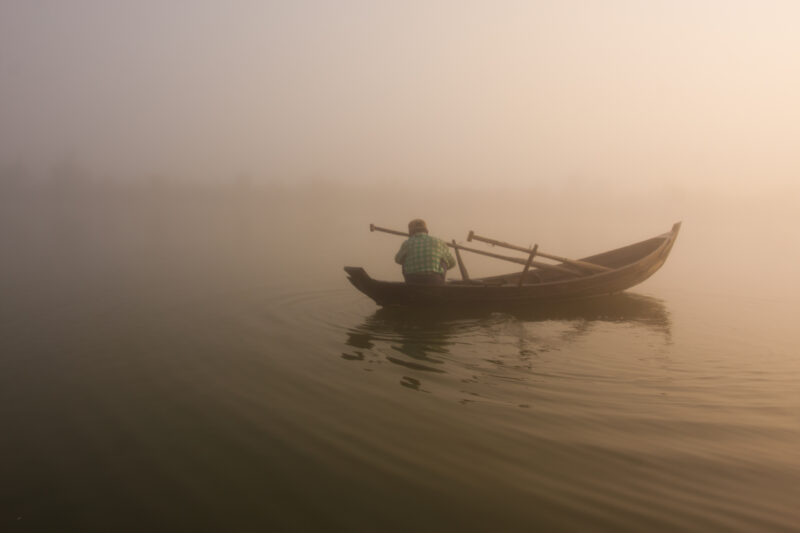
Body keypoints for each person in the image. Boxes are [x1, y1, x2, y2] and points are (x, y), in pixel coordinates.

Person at [394, 219, 456, 284]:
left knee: (403, 258)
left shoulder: (406, 243)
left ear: (410, 231)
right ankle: (440, 282)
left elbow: (398, 260)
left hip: (412, 280)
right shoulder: (439, 242)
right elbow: (452, 263)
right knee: (444, 260)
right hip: (434, 280)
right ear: (426, 230)